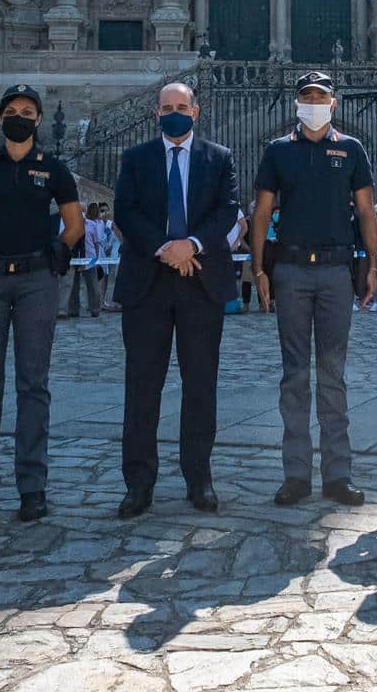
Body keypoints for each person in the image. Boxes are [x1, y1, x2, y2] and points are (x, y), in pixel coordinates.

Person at [0, 85, 85, 525]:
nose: (19, 116)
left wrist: (50, 252)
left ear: (38, 120)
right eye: (12, 110)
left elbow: (74, 224)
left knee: (33, 384)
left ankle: (32, 486)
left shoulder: (54, 169)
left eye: (27, 111)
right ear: (0, 116)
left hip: (34, 280)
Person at [249, 69, 377, 506]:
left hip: (335, 270)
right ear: (296, 103)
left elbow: (365, 213)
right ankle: (296, 474)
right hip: (289, 270)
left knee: (333, 374)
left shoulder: (351, 148)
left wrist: (372, 266)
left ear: (333, 103)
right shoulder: (278, 151)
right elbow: (262, 213)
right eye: (306, 95)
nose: (313, 102)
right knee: (294, 375)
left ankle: (338, 474)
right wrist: (259, 268)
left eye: (320, 95)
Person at [111, 82, 242, 516]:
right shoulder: (135, 159)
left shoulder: (218, 158)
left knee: (200, 384)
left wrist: (192, 245)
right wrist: (167, 248)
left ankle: (198, 477)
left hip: (199, 279)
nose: (174, 112)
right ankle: (138, 482)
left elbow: (227, 210)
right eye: (167, 107)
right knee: (141, 387)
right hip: (148, 280)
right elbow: (125, 212)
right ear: (156, 114)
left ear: (195, 111)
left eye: (181, 107)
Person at [67, 201, 106, 318]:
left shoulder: (92, 225)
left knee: (93, 284)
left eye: (82, 210)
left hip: (89, 257)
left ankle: (95, 308)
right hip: (75, 258)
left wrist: (97, 258)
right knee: (74, 285)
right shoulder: (71, 224)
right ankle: (73, 309)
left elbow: (96, 242)